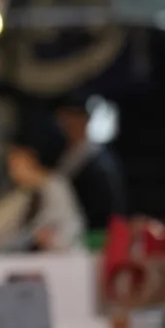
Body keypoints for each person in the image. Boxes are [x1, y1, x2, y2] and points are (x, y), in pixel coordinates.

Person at [0, 122, 85, 261]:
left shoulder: (48, 191)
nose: (10, 162)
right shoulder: (32, 192)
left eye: (15, 155)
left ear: (31, 157)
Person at [54, 98, 127, 233]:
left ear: (84, 120)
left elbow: (109, 210)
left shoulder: (100, 163)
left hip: (91, 235)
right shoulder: (64, 154)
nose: (64, 124)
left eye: (69, 118)